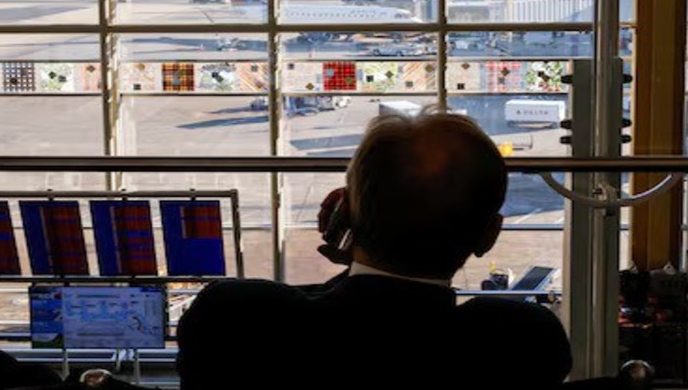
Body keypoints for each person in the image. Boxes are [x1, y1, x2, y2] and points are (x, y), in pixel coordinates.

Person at [177, 108, 573, 390]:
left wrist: (354, 259)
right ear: (489, 235)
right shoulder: (521, 343)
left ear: (343, 213)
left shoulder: (234, 319)